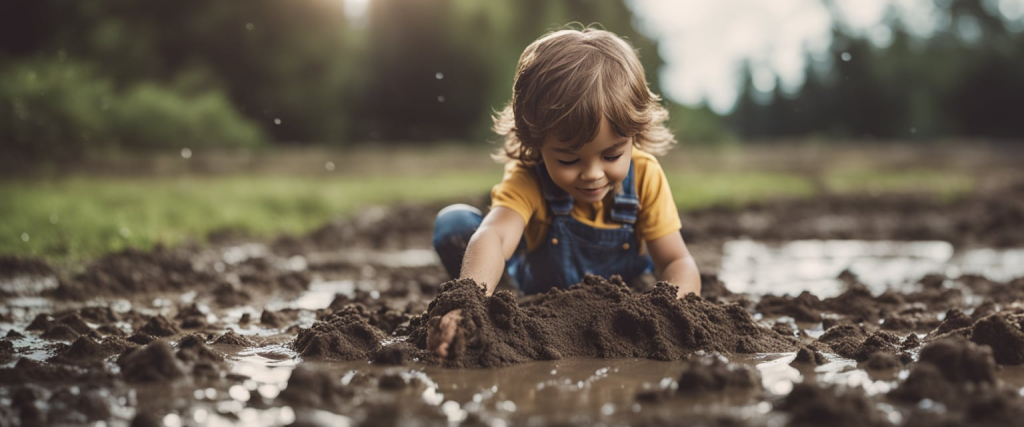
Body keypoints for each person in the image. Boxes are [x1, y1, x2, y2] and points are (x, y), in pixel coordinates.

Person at [428, 26, 701, 358]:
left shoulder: (645, 176)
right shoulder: (529, 178)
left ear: (634, 135)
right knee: (455, 225)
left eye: (612, 155)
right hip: (537, 298)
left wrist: (669, 310)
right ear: (535, 142)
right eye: (570, 159)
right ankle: (496, 297)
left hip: (624, 306)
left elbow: (676, 260)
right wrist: (468, 302)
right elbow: (495, 236)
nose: (593, 174)